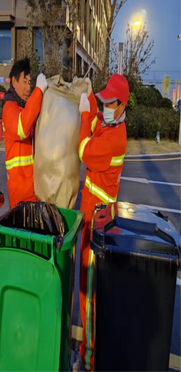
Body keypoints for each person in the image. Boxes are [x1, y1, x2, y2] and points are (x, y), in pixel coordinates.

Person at [73, 74, 128, 372]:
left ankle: (90, 361)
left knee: (88, 294)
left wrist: (84, 114)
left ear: (122, 107)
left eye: (110, 102)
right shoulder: (111, 124)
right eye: (104, 100)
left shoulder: (115, 137)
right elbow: (97, 123)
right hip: (94, 216)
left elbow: (85, 151)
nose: (106, 106)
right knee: (88, 292)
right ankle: (90, 353)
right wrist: (92, 99)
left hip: (97, 223)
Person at [1, 59, 48, 206]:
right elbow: (21, 129)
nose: (28, 87)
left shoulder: (20, 108)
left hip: (31, 189)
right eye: (25, 82)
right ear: (14, 82)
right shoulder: (9, 109)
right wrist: (39, 90)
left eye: (30, 83)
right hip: (20, 193)